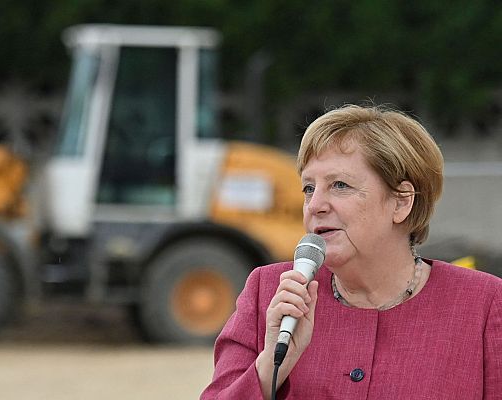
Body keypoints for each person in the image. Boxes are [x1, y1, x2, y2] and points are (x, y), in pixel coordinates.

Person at [200, 104, 502, 399]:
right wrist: (269, 369)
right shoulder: (269, 293)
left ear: (401, 202)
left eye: (340, 185)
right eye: (308, 188)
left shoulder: (484, 305)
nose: (315, 205)